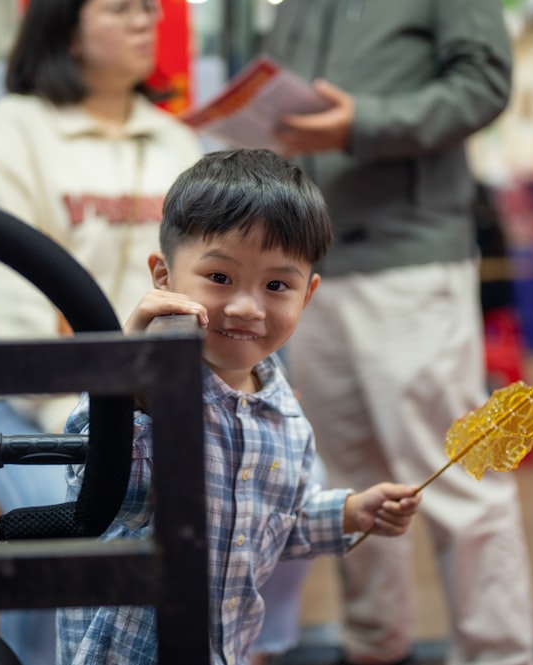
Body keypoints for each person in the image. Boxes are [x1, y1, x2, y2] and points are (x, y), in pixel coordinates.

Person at [56, 148, 422, 665]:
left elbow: (274, 524)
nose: (247, 308)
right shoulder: (151, 392)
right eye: (220, 278)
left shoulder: (284, 414)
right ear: (163, 277)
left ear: (308, 294)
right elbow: (104, 504)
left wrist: (349, 511)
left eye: (277, 285)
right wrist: (126, 373)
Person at [264, 3, 533, 664]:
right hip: (313, 263)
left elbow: (484, 83)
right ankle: (374, 644)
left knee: (455, 477)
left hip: (410, 260)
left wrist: (364, 123)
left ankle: (498, 653)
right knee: (351, 480)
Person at [0, 0, 202, 661]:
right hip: (34, 412)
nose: (146, 21)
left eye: (150, 8)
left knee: (265, 504)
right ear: (67, 29)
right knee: (87, 548)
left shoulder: (175, 140)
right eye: (121, 8)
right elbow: (9, 308)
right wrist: (99, 422)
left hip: (161, 407)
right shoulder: (15, 129)